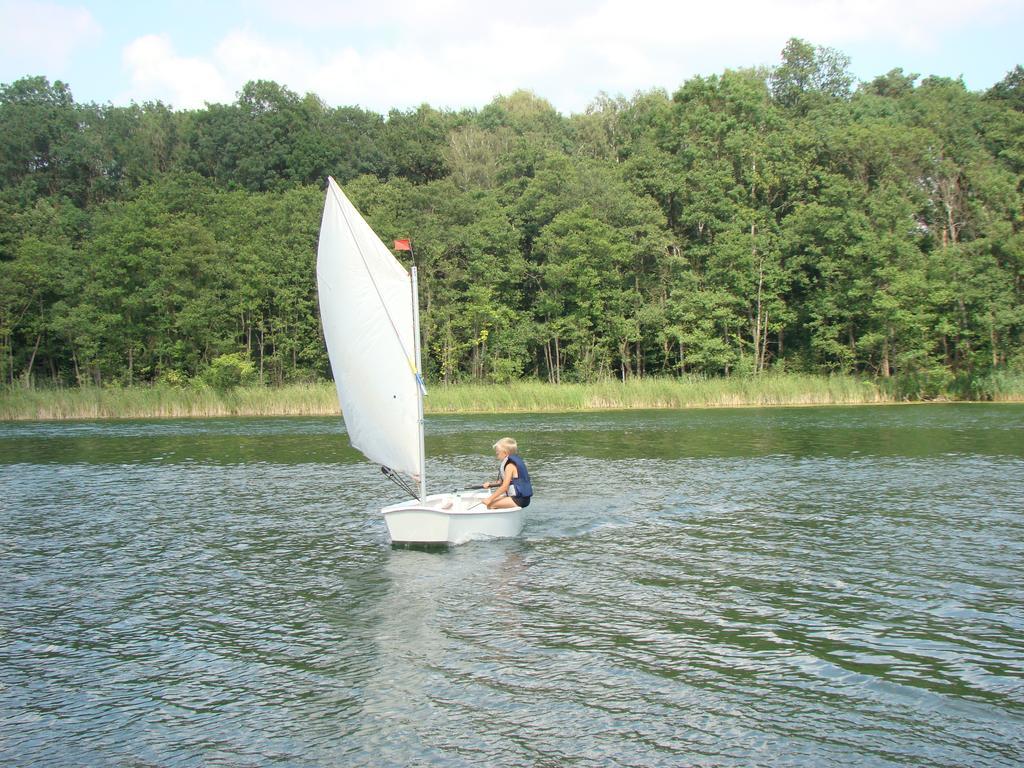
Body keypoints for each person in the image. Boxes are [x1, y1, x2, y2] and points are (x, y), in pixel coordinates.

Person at [482, 437, 532, 509]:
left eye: (498, 453)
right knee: (493, 500)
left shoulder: (509, 466)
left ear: (505, 453)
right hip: (520, 498)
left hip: (519, 499)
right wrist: (490, 484)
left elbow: (505, 487)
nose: (497, 456)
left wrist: (489, 499)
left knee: (490, 504)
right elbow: (503, 483)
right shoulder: (510, 464)